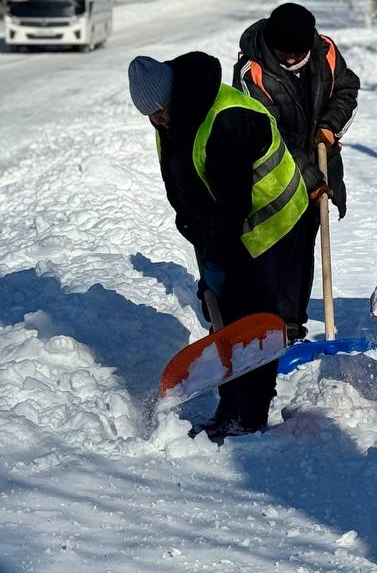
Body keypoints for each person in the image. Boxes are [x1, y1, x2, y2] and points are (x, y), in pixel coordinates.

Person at [129, 50, 313, 439]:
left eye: (161, 110)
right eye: (150, 115)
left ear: (174, 95)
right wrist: (192, 225)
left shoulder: (226, 119)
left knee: (252, 317)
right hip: (226, 221)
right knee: (224, 314)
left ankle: (252, 413)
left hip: (271, 217)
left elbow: (233, 205)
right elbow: (184, 179)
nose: (158, 120)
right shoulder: (171, 120)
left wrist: (217, 261)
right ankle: (229, 405)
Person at [233, 2, 361, 342]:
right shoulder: (253, 71)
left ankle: (290, 321)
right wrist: (310, 177)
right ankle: (267, 319)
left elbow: (348, 89)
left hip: (319, 162)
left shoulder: (326, 52)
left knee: (305, 244)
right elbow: (269, 131)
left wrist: (331, 127)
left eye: (297, 53)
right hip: (273, 174)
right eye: (283, 54)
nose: (290, 60)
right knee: (277, 245)